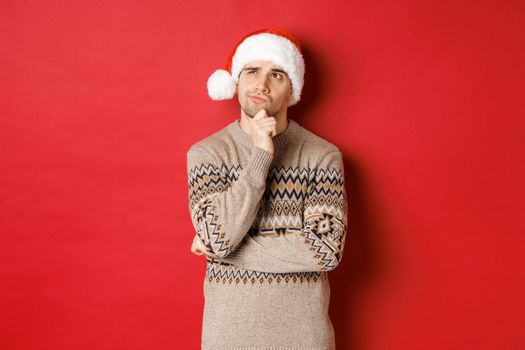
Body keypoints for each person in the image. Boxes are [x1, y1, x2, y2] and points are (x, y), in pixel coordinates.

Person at [186, 27, 349, 350]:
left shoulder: (321, 156)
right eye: (252, 71)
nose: (261, 84)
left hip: (305, 339)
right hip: (227, 338)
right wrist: (261, 156)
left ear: (292, 89)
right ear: (236, 82)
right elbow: (218, 236)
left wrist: (226, 248)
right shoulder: (207, 154)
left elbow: (325, 250)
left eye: (276, 74)